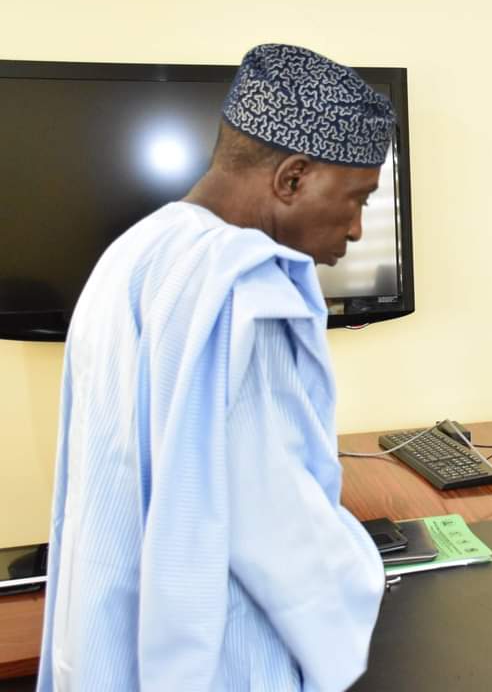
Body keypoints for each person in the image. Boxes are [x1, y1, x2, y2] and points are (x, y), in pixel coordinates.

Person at [36, 44, 395, 691]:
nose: (356, 229)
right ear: (292, 178)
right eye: (357, 199)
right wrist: (369, 583)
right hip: (226, 658)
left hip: (114, 632)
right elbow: (282, 534)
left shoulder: (132, 254)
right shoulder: (243, 289)